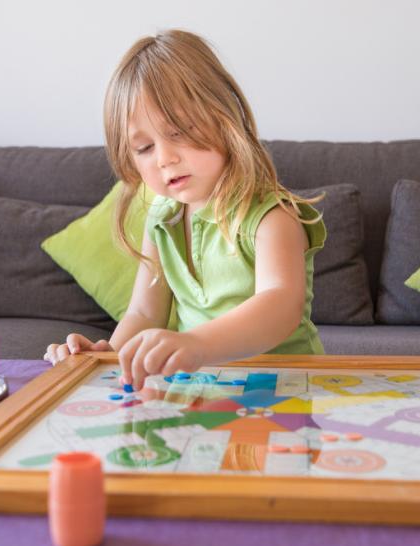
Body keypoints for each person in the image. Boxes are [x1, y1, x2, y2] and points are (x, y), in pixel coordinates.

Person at [44, 29, 325, 390]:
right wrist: (109, 356)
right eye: (144, 148)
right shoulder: (162, 220)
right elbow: (145, 314)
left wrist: (197, 344)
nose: (165, 158)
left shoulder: (272, 217)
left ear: (224, 117)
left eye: (179, 132)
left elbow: (280, 306)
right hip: (202, 389)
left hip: (283, 389)